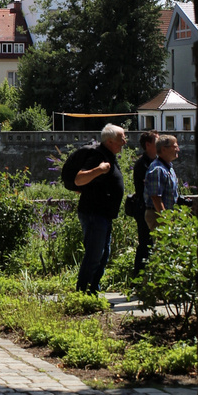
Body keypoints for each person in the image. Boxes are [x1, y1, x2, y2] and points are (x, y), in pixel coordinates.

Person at [73, 123, 127, 294]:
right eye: (121, 138)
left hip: (103, 215)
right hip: (94, 214)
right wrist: (100, 169)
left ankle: (92, 291)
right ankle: (83, 293)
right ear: (110, 141)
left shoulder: (109, 155)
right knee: (94, 256)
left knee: (102, 256)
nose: (124, 142)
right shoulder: (99, 156)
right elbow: (79, 179)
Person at [133, 130, 158, 276]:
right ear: (148, 145)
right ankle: (138, 278)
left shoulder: (156, 162)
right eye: (157, 141)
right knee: (145, 244)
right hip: (144, 208)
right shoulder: (142, 164)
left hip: (150, 208)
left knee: (151, 245)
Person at [144, 134, 180, 231]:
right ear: (164, 149)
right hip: (158, 215)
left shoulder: (168, 167)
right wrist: (165, 218)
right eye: (175, 146)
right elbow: (156, 197)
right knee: (162, 245)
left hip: (166, 214)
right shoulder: (158, 169)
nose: (178, 149)